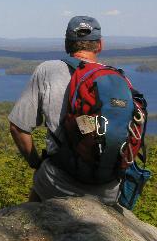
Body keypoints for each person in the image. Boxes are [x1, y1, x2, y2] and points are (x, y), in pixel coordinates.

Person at [8, 15, 124, 204]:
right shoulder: (116, 79)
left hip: (58, 184)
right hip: (108, 190)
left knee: (29, 222)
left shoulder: (48, 70)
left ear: (67, 44)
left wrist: (36, 164)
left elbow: (17, 127)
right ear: (100, 45)